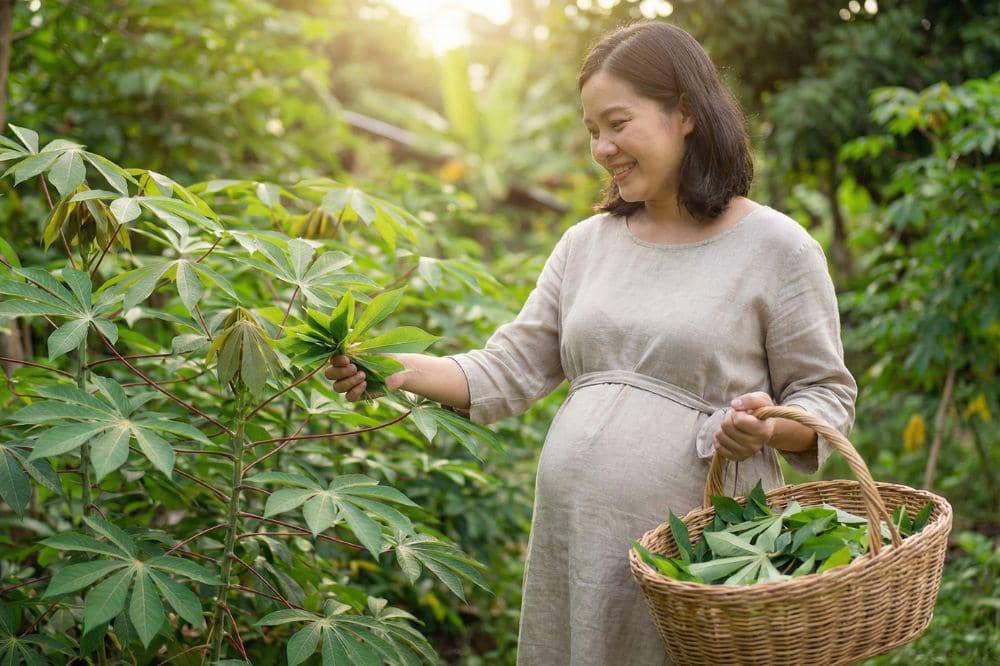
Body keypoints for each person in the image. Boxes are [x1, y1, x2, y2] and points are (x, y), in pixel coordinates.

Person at [326, 20, 857, 666]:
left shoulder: (776, 248)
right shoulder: (586, 245)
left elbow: (826, 396)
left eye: (617, 123)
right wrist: (394, 368)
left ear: (685, 113)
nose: (602, 148)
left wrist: (768, 427)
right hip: (577, 544)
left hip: (704, 557)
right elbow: (506, 368)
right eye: (591, 131)